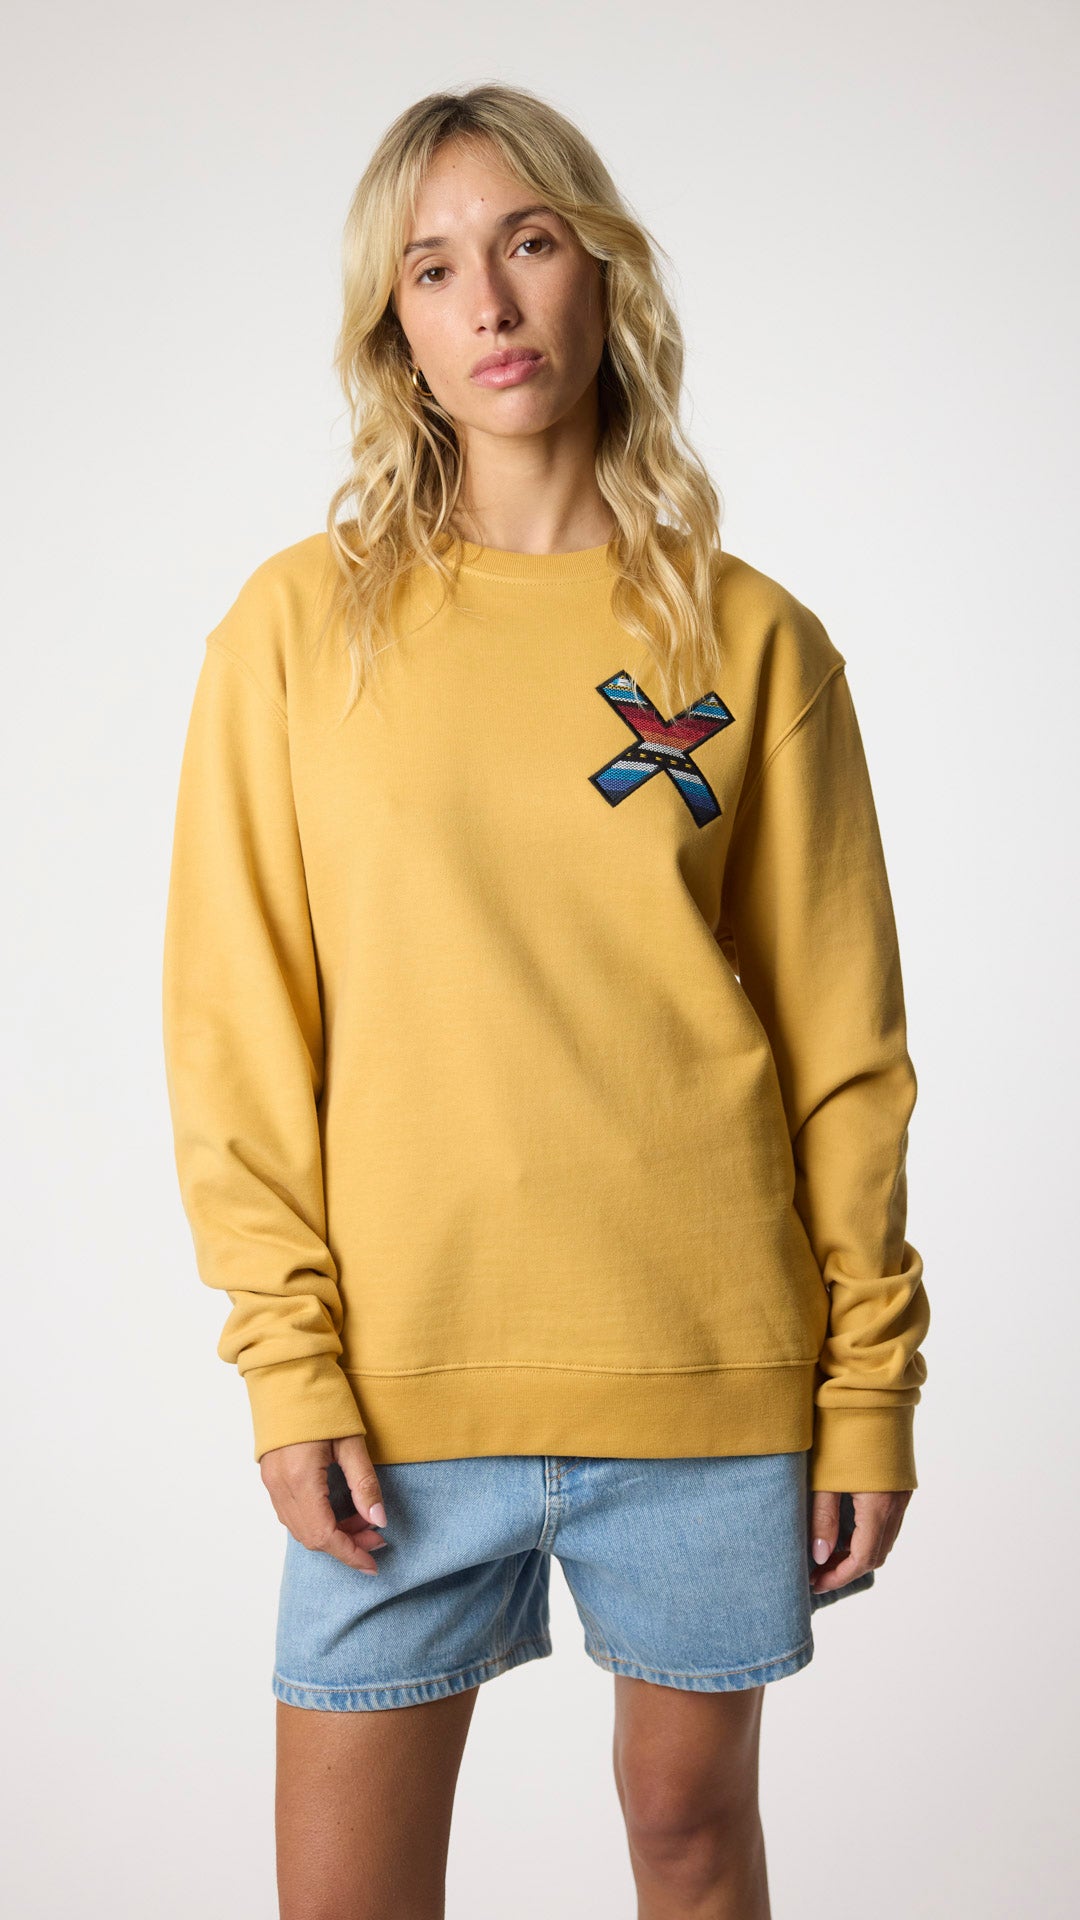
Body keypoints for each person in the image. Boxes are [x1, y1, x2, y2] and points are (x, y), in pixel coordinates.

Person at [162, 82, 930, 1920]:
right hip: (398, 1394)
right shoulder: (297, 629)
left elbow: (844, 1054)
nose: (491, 302)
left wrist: (871, 1389)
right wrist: (288, 1362)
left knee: (691, 1843)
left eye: (527, 243)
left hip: (710, 1370)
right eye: (433, 268)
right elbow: (236, 1024)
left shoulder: (752, 642)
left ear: (602, 271)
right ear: (395, 329)